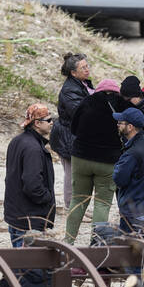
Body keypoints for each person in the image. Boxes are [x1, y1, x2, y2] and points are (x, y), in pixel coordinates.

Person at [0, 103, 56, 287]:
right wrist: (48, 199)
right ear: (37, 123)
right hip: (29, 218)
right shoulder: (33, 148)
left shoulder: (17, 142)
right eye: (49, 120)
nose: (52, 123)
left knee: (19, 275)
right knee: (26, 277)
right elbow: (32, 184)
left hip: (16, 214)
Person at [64, 78, 124, 244]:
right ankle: (96, 242)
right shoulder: (121, 104)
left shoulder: (87, 101)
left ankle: (68, 241)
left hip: (81, 157)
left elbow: (74, 128)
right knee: (102, 204)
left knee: (78, 199)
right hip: (108, 161)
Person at [50, 53, 93, 210]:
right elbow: (79, 112)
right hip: (67, 136)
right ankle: (71, 207)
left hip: (76, 134)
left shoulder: (82, 83)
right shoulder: (70, 90)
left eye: (87, 66)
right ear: (73, 73)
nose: (87, 69)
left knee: (79, 173)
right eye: (83, 68)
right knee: (72, 173)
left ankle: (77, 206)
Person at [111, 106, 144, 237]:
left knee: (128, 248)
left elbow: (119, 179)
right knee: (143, 243)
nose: (117, 125)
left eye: (120, 123)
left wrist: (117, 166)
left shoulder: (132, 154)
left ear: (130, 127)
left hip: (133, 210)